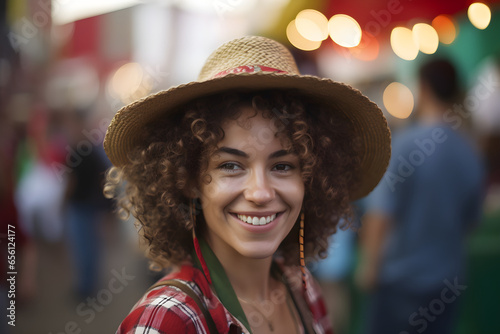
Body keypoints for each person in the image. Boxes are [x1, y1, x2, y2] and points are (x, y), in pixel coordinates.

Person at [104, 36, 390, 334]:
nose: (260, 193)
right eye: (231, 166)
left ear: (312, 179)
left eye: (282, 166)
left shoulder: (303, 288)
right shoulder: (167, 321)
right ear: (188, 180)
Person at [356, 58, 485, 334]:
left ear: (423, 87)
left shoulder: (404, 145)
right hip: (447, 282)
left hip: (400, 280)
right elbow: (472, 219)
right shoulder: (469, 151)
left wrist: (369, 267)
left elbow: (381, 214)